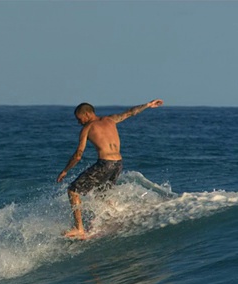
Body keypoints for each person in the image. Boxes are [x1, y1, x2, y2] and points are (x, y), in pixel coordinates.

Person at [57, 99, 164, 239]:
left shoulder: (87, 128)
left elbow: (78, 155)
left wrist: (65, 170)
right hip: (118, 164)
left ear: (87, 114)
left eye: (79, 119)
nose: (79, 122)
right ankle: (115, 218)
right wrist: (148, 105)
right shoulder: (111, 120)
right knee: (101, 194)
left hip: (105, 164)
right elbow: (131, 112)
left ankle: (79, 229)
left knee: (73, 190)